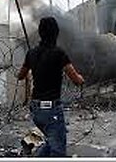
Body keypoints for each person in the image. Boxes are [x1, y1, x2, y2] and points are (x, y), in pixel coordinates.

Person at [17, 16, 85, 157]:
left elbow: (20, 75)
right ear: (56, 33)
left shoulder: (31, 53)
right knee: (58, 150)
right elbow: (76, 79)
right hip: (51, 110)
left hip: (36, 109)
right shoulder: (59, 53)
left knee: (51, 142)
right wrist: (81, 79)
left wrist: (32, 64)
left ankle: (33, 149)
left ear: (40, 33)